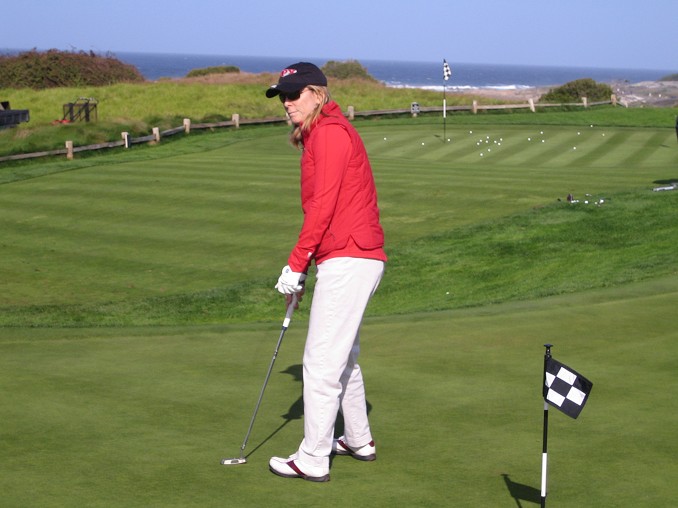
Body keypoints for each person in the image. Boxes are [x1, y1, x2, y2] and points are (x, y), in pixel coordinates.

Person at [265, 62, 387, 482]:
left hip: (350, 256)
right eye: (283, 96)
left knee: (319, 363)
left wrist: (296, 263)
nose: (287, 103)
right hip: (350, 255)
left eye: (294, 94)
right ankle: (358, 438)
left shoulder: (331, 133)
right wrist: (304, 269)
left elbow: (323, 206)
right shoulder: (321, 132)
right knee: (343, 356)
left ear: (317, 93)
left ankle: (313, 457)